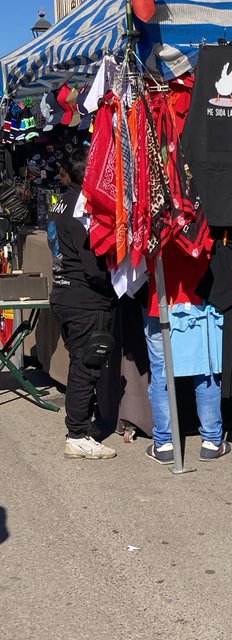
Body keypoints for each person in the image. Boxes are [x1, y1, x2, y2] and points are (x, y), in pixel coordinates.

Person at [48, 147, 117, 459]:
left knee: (81, 362)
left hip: (64, 294)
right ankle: (77, 434)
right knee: (86, 366)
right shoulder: (82, 209)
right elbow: (94, 267)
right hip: (85, 299)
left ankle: (81, 427)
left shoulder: (61, 202)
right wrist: (116, 286)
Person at [144, 239, 230, 464]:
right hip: (198, 302)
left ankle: (164, 444)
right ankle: (211, 441)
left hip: (161, 302)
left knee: (162, 373)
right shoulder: (202, 220)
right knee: (206, 372)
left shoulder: (153, 222)